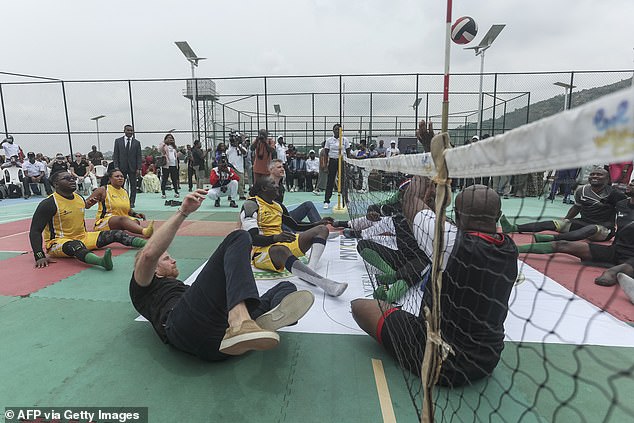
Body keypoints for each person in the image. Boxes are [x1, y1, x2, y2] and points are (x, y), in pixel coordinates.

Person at [351, 178, 518, 386]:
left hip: (439, 361)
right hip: (487, 359)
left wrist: (425, 167)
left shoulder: (449, 243)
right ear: (498, 217)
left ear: (456, 215)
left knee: (359, 307)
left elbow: (411, 199)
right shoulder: (509, 249)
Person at [131, 188, 315, 358]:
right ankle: (241, 322)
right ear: (154, 269)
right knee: (239, 238)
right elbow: (148, 255)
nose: (173, 260)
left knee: (286, 286)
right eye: (165, 259)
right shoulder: (144, 288)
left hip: (219, 344)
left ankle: (257, 323)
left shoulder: (183, 289)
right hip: (184, 327)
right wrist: (183, 212)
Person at [242, 176, 347, 297]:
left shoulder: (278, 206)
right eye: (273, 183)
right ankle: (324, 283)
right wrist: (275, 238)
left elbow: (296, 226)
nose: (277, 186)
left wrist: (316, 224)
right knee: (281, 250)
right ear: (264, 188)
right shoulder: (251, 205)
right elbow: (252, 238)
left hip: (283, 243)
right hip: (261, 252)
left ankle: (310, 269)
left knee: (322, 230)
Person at [518, 179, 634, 287]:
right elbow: (602, 206)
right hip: (615, 250)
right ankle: (516, 248)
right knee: (564, 245)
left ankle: (614, 271)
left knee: (622, 268)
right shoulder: (621, 204)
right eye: (632, 182)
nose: (631, 184)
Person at [29, 171, 147, 270]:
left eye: (72, 178)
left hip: (83, 237)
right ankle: (101, 262)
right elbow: (35, 230)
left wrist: (89, 203)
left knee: (117, 234)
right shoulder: (49, 203)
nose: (72, 180)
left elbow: (82, 206)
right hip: (58, 243)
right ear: (56, 184)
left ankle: (148, 244)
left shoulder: (79, 198)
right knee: (76, 245)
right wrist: (39, 255)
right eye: (66, 178)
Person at [500, 167, 626, 242]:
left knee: (591, 228)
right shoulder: (581, 190)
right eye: (593, 174)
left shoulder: (615, 194)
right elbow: (576, 207)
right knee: (554, 223)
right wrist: (566, 219)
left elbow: (625, 214)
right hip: (583, 223)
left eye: (599, 174)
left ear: (607, 179)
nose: (595, 176)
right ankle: (514, 228)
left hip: (603, 230)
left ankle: (552, 239)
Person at [86, 169, 154, 238]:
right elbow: (86, 205)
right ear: (110, 179)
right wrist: (89, 203)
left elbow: (127, 209)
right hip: (105, 221)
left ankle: (126, 229)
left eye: (122, 176)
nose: (120, 178)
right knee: (122, 219)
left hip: (123, 220)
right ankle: (144, 232)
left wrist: (135, 214)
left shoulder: (125, 191)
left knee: (135, 221)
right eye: (117, 176)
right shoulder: (103, 190)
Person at [268, 159, 328, 226]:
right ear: (271, 170)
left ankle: (320, 226)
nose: (282, 169)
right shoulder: (266, 186)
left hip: (283, 216)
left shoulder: (281, 186)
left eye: (282, 167)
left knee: (308, 205)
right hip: (275, 219)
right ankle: (321, 227)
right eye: (279, 167)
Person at [113, 125, 142, 208]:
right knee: (120, 185)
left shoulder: (137, 143)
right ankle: (120, 201)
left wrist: (138, 168)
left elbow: (139, 156)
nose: (130, 132)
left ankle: (132, 202)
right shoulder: (118, 141)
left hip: (133, 168)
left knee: (133, 186)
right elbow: (116, 155)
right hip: (121, 168)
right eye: (128, 130)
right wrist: (116, 167)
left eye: (131, 130)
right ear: (124, 130)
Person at [323, 123, 351, 209]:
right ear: (333, 130)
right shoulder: (329, 140)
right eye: (335, 129)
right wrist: (325, 166)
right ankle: (327, 201)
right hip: (333, 161)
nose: (337, 131)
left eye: (339, 129)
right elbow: (325, 153)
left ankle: (346, 200)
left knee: (343, 181)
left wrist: (348, 162)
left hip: (342, 161)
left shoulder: (344, 140)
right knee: (330, 181)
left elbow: (348, 152)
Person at [226, 132, 248, 199]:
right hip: (231, 167)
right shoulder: (229, 147)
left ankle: (241, 195)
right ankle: (230, 195)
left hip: (239, 167)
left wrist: (238, 145)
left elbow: (244, 153)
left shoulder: (241, 146)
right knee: (230, 182)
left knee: (240, 182)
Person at [159, 133, 180, 199]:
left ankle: (176, 192)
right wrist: (164, 142)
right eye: (168, 138)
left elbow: (175, 155)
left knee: (174, 179)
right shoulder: (164, 145)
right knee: (165, 179)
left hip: (173, 165)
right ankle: (163, 193)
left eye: (171, 138)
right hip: (166, 165)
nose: (170, 139)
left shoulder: (174, 147)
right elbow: (160, 149)